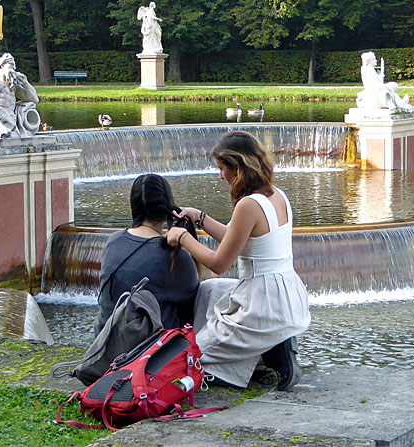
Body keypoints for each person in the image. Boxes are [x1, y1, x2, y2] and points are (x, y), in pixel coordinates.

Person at [166, 131, 310, 391]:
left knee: (193, 359)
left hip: (262, 302)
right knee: (210, 289)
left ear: (238, 167)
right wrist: (200, 218)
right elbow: (237, 239)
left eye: (222, 169)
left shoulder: (247, 205)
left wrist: (183, 238)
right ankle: (274, 345)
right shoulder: (277, 196)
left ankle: (270, 353)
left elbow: (219, 263)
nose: (221, 176)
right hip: (286, 295)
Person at [94, 174, 200, 335]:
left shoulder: (114, 242)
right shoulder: (173, 256)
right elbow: (193, 307)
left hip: (107, 347)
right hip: (152, 355)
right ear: (169, 208)